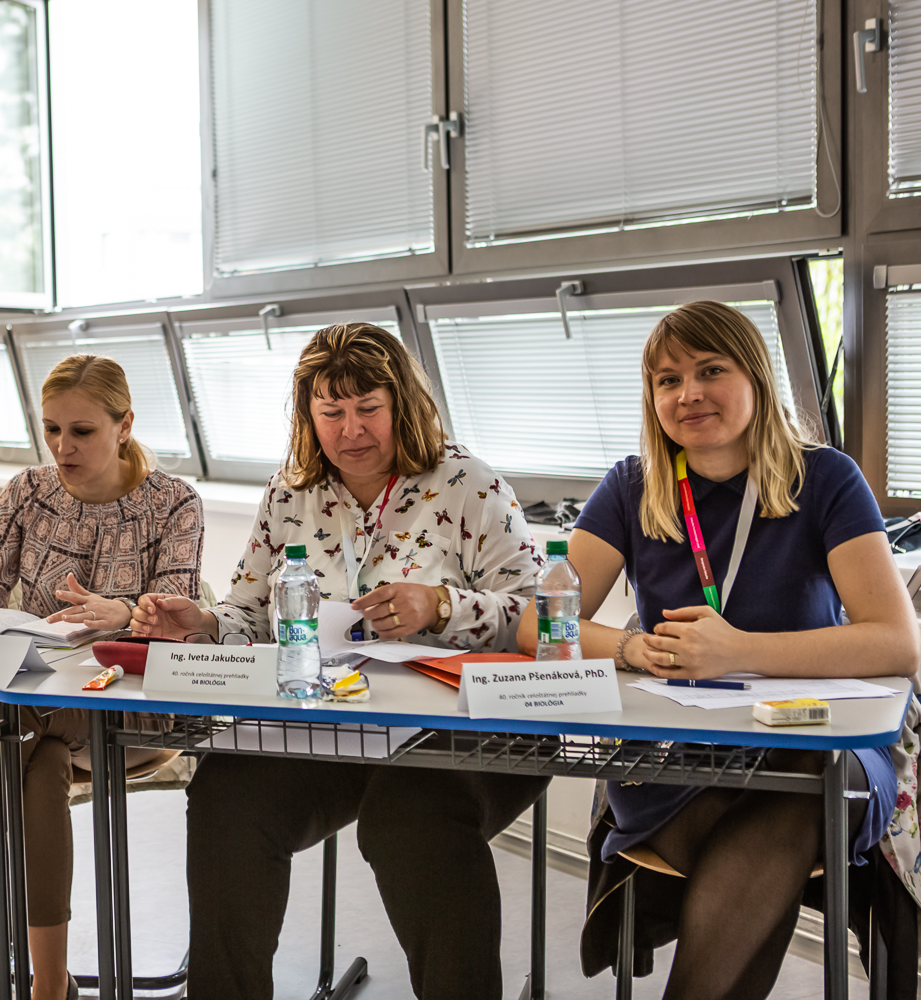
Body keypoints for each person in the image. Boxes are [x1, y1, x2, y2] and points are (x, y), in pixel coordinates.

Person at [515, 301, 921, 999]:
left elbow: (897, 643)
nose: (688, 394)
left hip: (822, 746)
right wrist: (635, 648)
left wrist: (738, 651)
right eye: (668, 380)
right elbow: (538, 623)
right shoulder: (632, 485)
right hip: (683, 757)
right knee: (770, 828)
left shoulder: (826, 478)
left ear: (756, 378)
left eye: (710, 371)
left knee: (801, 786)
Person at [131, 323, 544, 1000]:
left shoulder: (468, 483)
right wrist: (204, 622)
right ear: (308, 416)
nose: (351, 430)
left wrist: (441, 605)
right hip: (331, 726)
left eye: (368, 409)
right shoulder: (290, 491)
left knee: (409, 820)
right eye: (331, 413)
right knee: (226, 793)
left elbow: (539, 621)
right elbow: (251, 615)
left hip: (457, 733)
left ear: (403, 404)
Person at [0, 354, 204, 1000]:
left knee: (9, 714)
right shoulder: (28, 491)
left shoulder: (174, 503)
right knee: (38, 754)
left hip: (133, 714)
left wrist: (125, 614)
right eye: (51, 429)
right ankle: (51, 982)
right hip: (44, 714)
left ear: (124, 425)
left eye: (81, 431)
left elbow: (180, 621)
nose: (61, 446)